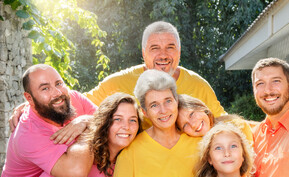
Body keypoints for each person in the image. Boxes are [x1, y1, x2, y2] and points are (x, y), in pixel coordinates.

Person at [8, 21, 225, 134]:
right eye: (154, 48)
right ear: (143, 53)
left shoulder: (197, 84)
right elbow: (78, 101)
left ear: (179, 51)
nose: (163, 55)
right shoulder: (121, 81)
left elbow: (222, 120)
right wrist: (31, 107)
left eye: (170, 47)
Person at [0, 64, 97, 177]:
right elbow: (76, 171)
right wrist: (89, 129)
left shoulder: (72, 98)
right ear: (29, 98)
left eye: (59, 83)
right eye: (45, 88)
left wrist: (86, 120)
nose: (57, 93)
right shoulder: (28, 133)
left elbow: (109, 121)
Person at [108, 69, 201, 177]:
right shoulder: (131, 150)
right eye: (154, 105)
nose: (163, 110)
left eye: (168, 101)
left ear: (176, 101)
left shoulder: (197, 142)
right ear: (144, 112)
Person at [176, 94, 253, 144]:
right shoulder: (194, 146)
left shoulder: (237, 126)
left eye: (192, 114)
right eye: (185, 125)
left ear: (200, 107)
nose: (193, 124)